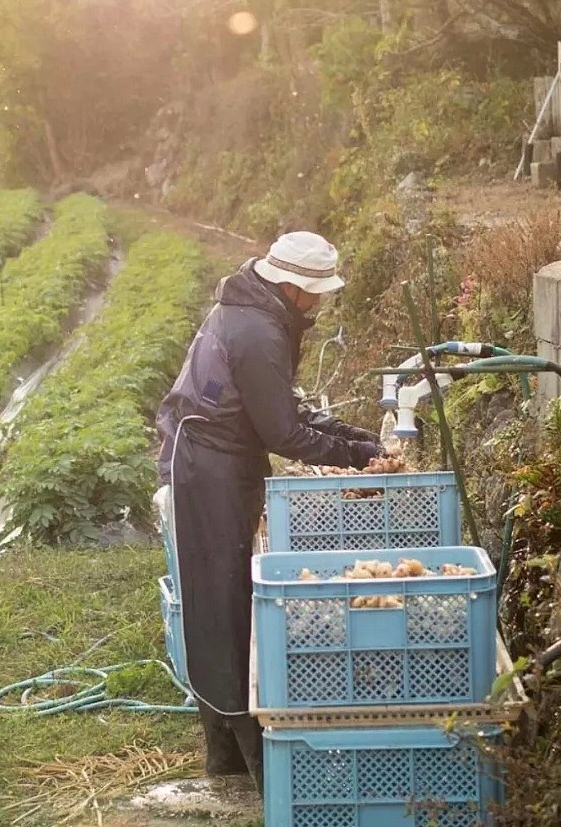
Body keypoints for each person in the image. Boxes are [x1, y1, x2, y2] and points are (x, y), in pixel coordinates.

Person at [154, 231, 382, 793]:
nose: (319, 303)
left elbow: (278, 406)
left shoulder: (255, 310)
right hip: (207, 469)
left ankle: (230, 756)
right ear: (290, 286)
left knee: (228, 600)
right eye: (315, 293)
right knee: (222, 607)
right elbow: (281, 431)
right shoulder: (256, 329)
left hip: (223, 458)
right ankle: (250, 758)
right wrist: (355, 456)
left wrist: (350, 435)